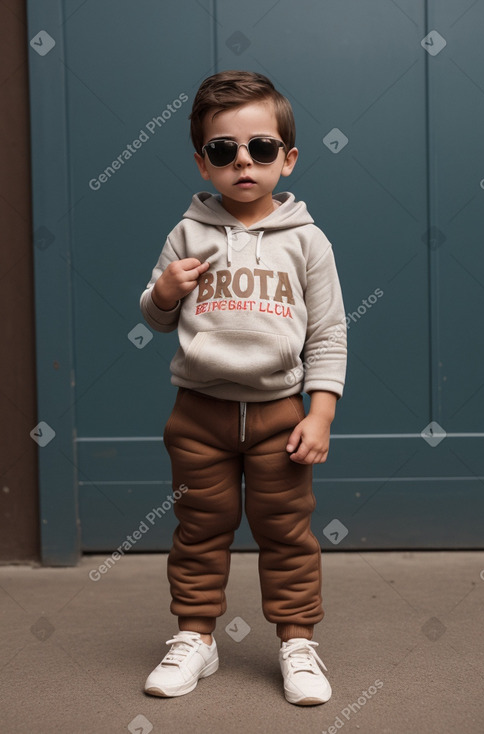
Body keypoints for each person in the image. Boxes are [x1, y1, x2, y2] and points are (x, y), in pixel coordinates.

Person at [139, 70, 347, 706]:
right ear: (204, 164)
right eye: (224, 151)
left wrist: (320, 415)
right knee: (200, 527)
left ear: (287, 158)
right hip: (199, 413)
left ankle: (297, 642)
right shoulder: (186, 234)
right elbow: (156, 314)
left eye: (260, 149)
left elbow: (330, 334)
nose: (243, 163)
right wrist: (166, 292)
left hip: (279, 416)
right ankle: (195, 639)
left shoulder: (307, 242)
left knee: (286, 530)